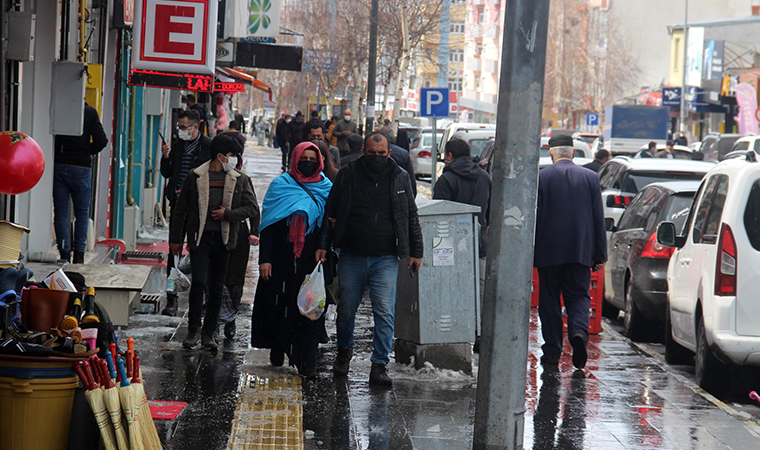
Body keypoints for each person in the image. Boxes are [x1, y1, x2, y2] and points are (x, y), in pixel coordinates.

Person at [316, 132, 423, 387]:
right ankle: (344, 352)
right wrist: (323, 244)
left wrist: (416, 252)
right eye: (372, 153)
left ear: (389, 152)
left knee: (384, 312)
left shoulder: (400, 176)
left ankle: (379, 365)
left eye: (382, 153)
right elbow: (330, 211)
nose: (377, 158)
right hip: (352, 255)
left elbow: (411, 216)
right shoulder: (348, 174)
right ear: (364, 150)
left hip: (386, 257)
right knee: (346, 311)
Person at [170, 134, 259, 351]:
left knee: (217, 286)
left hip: (226, 240)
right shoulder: (196, 176)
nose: (235, 160)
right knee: (199, 283)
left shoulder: (240, 179)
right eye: (231, 156)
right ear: (220, 156)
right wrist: (176, 240)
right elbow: (181, 210)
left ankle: (209, 332)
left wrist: (228, 214)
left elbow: (252, 208)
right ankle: (193, 330)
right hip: (200, 240)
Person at [251, 141, 333, 378]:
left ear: (320, 162)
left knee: (309, 308)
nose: (307, 163)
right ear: (294, 160)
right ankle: (279, 345)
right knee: (279, 304)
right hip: (280, 257)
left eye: (312, 159)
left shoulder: (327, 188)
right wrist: (264, 259)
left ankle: (306, 361)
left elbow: (328, 225)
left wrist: (323, 248)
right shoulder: (280, 186)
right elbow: (267, 225)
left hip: (312, 258)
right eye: (303, 159)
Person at [534, 135, 606, 370]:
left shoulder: (541, 178)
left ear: (551, 153)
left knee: (549, 300)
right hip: (580, 250)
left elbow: (535, 216)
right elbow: (598, 218)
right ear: (573, 153)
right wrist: (600, 254)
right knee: (578, 296)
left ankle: (552, 350)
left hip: (548, 251)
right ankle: (578, 332)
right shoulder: (591, 178)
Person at [432, 137, 491, 324]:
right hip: (479, 242)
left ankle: (459, 328)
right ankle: (479, 330)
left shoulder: (446, 180)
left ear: (449, 156)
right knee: (480, 287)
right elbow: (490, 212)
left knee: (452, 286)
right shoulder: (485, 177)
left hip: (450, 245)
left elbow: (439, 214)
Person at [160, 109, 212, 316]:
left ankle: (202, 297)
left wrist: (193, 191)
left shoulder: (208, 146)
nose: (180, 131)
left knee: (199, 250)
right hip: (177, 205)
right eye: (179, 127)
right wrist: (166, 157)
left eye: (184, 127)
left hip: (199, 208)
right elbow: (167, 173)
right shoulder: (178, 144)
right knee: (173, 249)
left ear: (196, 127)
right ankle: (171, 298)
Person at [53, 102, 108, 263]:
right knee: (82, 213)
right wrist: (86, 152)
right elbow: (102, 140)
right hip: (81, 168)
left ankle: (63, 253)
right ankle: (79, 255)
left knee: (61, 212)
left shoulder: (60, 107)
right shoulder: (89, 112)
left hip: (60, 164)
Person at [380, 128, 417, 197]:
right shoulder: (403, 154)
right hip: (399, 193)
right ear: (394, 138)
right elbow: (411, 179)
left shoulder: (372, 152)